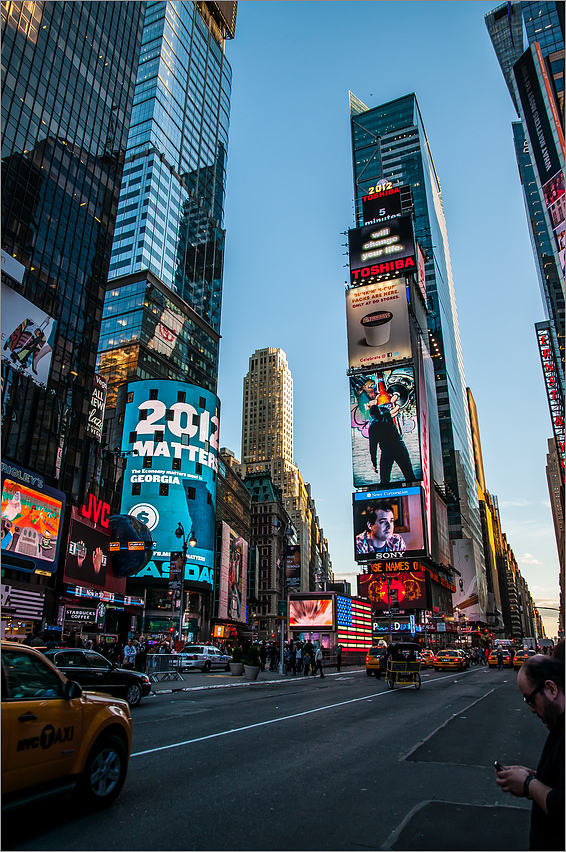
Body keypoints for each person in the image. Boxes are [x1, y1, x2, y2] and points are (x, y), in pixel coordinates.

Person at [495, 655, 564, 850]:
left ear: (551, 688)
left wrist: (527, 784)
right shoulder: (558, 725)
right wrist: (532, 776)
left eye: (531, 700)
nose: (532, 710)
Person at [367, 403, 415, 486]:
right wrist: (378, 406)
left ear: (371, 415)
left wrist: (374, 463)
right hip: (399, 446)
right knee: (409, 475)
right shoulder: (387, 416)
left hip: (387, 451)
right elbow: (385, 409)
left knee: (384, 480)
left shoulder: (373, 427)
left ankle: (384, 496)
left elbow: (373, 447)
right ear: (379, 412)